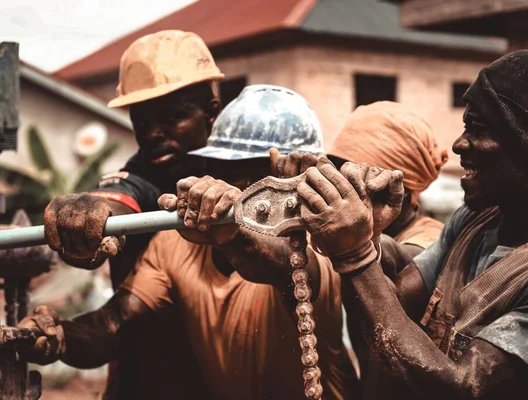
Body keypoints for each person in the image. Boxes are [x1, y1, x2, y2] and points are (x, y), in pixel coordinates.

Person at [20, 85, 361, 400]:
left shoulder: (319, 242)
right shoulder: (176, 245)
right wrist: (59, 337)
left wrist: (233, 234)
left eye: (260, 174)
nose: (240, 183)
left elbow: (282, 266)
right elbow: (116, 323)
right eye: (226, 165)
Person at [297, 50, 528, 399]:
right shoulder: (477, 219)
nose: (459, 144)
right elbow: (395, 302)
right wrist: (360, 229)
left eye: (479, 129)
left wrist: (355, 253)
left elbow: (460, 386)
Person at [41, 30, 224, 399]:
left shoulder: (237, 175)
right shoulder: (140, 177)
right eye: (141, 121)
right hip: (146, 376)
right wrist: (87, 216)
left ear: (211, 111)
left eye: (173, 117)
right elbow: (115, 199)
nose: (154, 133)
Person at [327, 101, 447, 391]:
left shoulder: (429, 243)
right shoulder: (350, 236)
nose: (340, 187)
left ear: (397, 187)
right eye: (336, 170)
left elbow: (395, 257)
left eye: (353, 177)